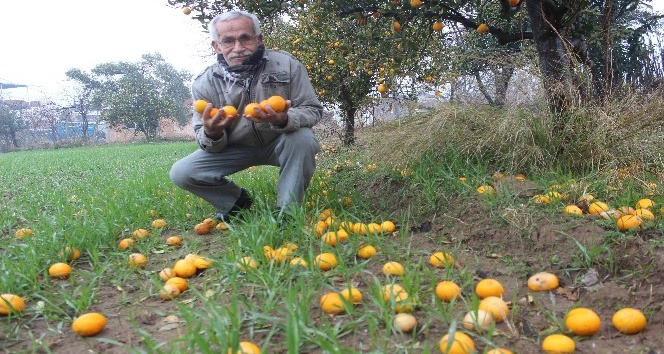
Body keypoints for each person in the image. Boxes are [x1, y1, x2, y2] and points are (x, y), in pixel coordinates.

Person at [170, 10, 323, 223]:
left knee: (303, 139)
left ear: (258, 40)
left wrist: (284, 120)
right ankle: (235, 202)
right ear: (216, 46)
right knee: (182, 172)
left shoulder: (287, 65)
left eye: (245, 38)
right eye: (228, 41)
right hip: (235, 147)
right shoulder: (204, 83)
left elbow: (312, 109)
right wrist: (212, 133)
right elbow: (206, 142)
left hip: (280, 142)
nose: (238, 48)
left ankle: (288, 213)